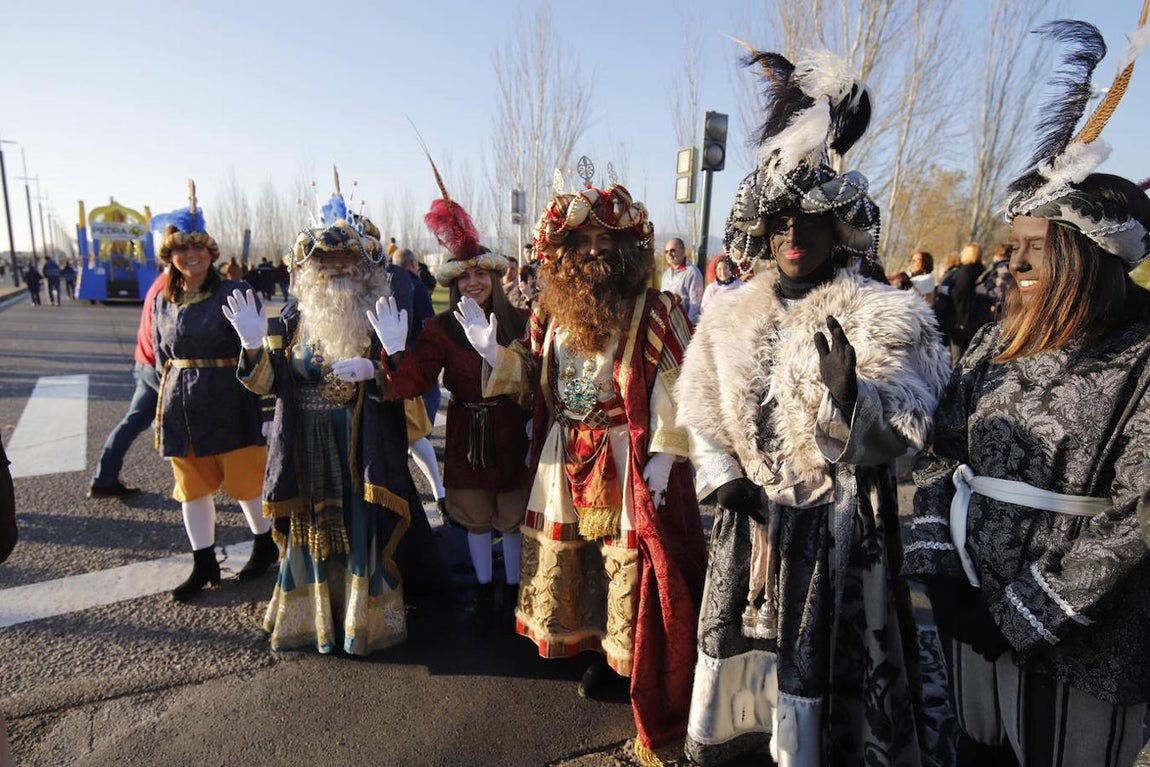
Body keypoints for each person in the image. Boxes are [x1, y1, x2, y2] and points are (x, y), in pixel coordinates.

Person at [677, 48, 949, 766]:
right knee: (742, 697)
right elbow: (699, 408)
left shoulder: (882, 313)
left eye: (813, 221)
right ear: (763, 232)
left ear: (840, 231)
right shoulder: (729, 312)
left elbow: (902, 432)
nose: (795, 235)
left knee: (825, 701)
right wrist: (722, 474)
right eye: (782, 222)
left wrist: (853, 398)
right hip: (748, 535)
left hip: (834, 542)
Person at [904, 21, 1150, 766]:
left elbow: (1137, 521)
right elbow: (938, 455)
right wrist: (942, 572)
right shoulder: (991, 341)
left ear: (1088, 263)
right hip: (972, 621)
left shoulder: (1140, 363)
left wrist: (1019, 613)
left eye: (1032, 259)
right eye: (1009, 254)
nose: (1008, 274)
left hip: (1083, 647)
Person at [449, 170, 707, 763]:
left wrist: (666, 457)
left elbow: (682, 385)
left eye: (606, 241)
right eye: (581, 241)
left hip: (625, 454)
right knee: (578, 558)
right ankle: (590, 648)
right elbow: (529, 373)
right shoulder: (550, 312)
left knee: (630, 563)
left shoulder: (658, 309)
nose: (594, 250)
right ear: (561, 254)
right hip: (564, 450)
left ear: (627, 250)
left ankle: (626, 663)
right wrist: (493, 354)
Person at [227, 191, 419, 656]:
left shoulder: (378, 321)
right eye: (325, 262)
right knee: (311, 529)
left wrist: (384, 363)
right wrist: (253, 346)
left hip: (357, 444)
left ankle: (359, 624)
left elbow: (403, 388)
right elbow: (267, 383)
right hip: (305, 443)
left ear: (362, 267)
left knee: (356, 526)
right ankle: (316, 621)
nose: (336, 270)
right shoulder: (291, 322)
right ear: (308, 273)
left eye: (346, 261)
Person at [373, 183, 531, 630]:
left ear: (496, 278)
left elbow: (536, 377)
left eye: (481, 274)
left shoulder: (519, 321)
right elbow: (414, 382)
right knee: (477, 518)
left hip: (511, 427)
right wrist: (396, 352)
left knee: (512, 517)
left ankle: (516, 589)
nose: (473, 282)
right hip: (465, 430)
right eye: (464, 277)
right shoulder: (441, 328)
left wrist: (498, 358)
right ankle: (484, 590)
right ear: (454, 282)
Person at [152, 194, 276, 603]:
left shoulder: (235, 292)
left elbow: (259, 352)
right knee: (192, 488)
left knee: (247, 485)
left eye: (198, 248)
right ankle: (203, 562)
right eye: (182, 249)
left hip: (229, 401)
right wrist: (166, 399)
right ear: (170, 256)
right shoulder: (161, 300)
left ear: (210, 253)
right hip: (180, 407)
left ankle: (265, 544)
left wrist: (254, 346)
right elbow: (160, 356)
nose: (191, 255)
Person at [88, 270, 167, 498]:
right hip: (160, 366)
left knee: (132, 423)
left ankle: (103, 478)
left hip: (145, 362)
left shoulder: (159, 281)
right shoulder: (172, 286)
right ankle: (201, 481)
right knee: (187, 422)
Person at [389, 246, 447, 524]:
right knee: (414, 432)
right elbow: (426, 323)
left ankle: (436, 492)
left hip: (399, 364)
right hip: (408, 362)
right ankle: (436, 493)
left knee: (415, 431)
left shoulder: (396, 282)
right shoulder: (411, 284)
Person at [944, 242, 986, 361]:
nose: (961, 254)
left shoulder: (965, 272)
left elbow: (958, 296)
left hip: (960, 320)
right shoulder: (982, 269)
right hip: (976, 320)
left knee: (957, 358)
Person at [660, 237, 703, 323]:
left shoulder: (692, 273)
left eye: (672, 250)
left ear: (683, 251)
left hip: (684, 326)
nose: (669, 254)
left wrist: (689, 325)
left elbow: (695, 303)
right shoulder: (666, 275)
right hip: (668, 324)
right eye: (666, 252)